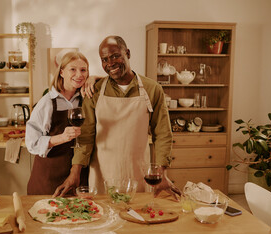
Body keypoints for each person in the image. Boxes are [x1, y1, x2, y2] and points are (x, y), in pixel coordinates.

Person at [53, 36, 180, 200]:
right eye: (104, 59)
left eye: (115, 56)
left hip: (139, 174)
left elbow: (163, 134)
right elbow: (85, 136)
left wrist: (161, 172)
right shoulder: (94, 91)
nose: (110, 63)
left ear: (127, 53)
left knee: (137, 219)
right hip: (102, 174)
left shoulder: (152, 89)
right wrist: (74, 173)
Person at [26, 51, 89, 195]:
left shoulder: (85, 99)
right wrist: (61, 138)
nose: (79, 75)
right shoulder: (47, 102)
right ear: (61, 72)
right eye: (72, 69)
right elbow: (31, 142)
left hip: (77, 175)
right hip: (49, 177)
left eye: (83, 70)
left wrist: (94, 79)